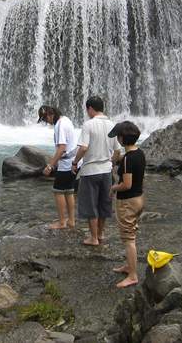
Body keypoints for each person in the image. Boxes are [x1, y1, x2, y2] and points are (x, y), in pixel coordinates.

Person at [71, 96, 121, 246]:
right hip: (106, 171)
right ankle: (100, 234)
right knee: (104, 203)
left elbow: (84, 147)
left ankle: (93, 238)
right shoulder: (112, 125)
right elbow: (118, 151)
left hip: (90, 171)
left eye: (87, 110)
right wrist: (111, 163)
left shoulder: (89, 125)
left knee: (90, 204)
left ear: (90, 108)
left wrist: (75, 162)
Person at [108, 121, 145, 288]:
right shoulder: (139, 153)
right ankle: (129, 266)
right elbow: (123, 162)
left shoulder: (128, 159)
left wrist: (113, 188)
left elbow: (126, 184)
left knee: (128, 238)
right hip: (139, 199)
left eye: (118, 137)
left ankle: (132, 275)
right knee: (132, 233)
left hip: (127, 201)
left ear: (122, 138)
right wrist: (117, 159)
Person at [38, 105, 79, 229]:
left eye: (45, 119)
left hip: (67, 164)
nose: (47, 122)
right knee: (69, 190)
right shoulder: (66, 120)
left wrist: (50, 165)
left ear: (50, 114)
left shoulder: (60, 125)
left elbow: (62, 148)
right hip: (74, 161)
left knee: (58, 191)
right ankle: (71, 220)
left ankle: (62, 222)